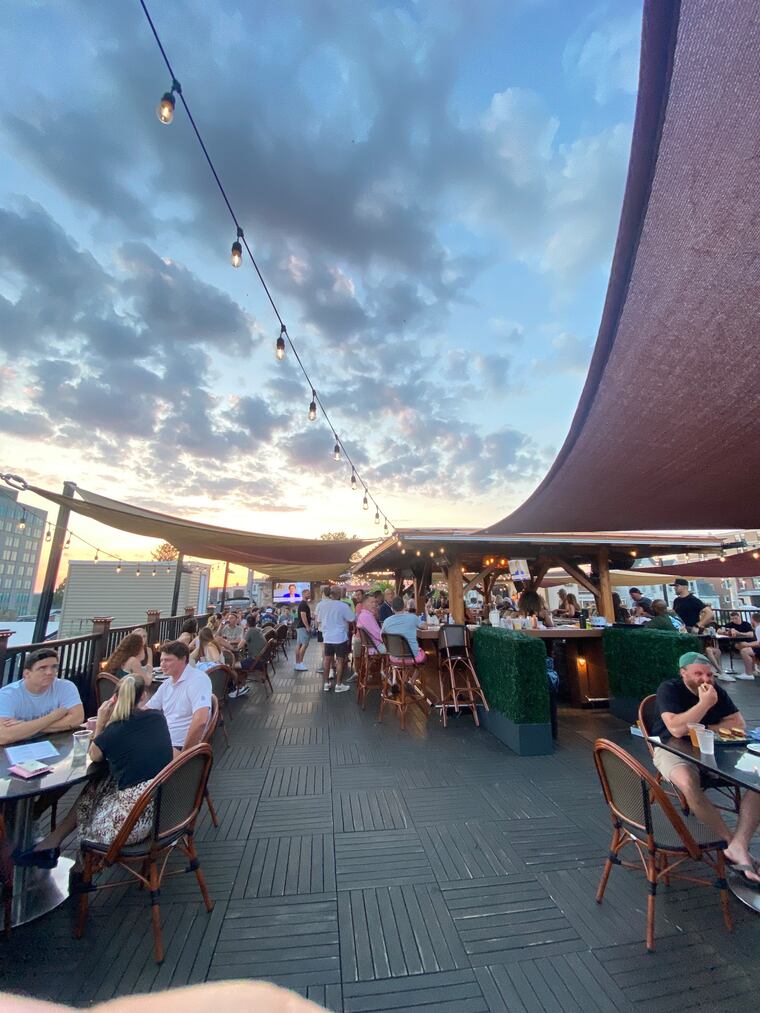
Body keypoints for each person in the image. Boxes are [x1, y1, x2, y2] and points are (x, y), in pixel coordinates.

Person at [14, 675, 173, 868]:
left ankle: (81, 873)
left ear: (114, 699)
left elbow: (94, 755)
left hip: (134, 822)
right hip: (164, 808)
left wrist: (100, 724)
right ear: (144, 696)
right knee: (97, 785)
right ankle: (52, 843)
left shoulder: (113, 731)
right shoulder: (158, 718)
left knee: (89, 815)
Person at [650, 652, 760, 885]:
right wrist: (704, 704)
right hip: (671, 749)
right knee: (689, 784)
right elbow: (676, 730)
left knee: (757, 779)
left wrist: (702, 727)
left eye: (709, 674)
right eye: (698, 674)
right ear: (683, 673)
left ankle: (739, 845)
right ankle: (730, 842)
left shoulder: (715, 690)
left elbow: (738, 724)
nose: (705, 679)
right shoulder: (669, 689)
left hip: (713, 750)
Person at [0, 649, 84, 746]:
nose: (49, 672)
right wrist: (53, 717)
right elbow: (3, 736)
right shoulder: (7, 695)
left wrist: (24, 727)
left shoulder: (65, 686)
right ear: (27, 674)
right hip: (16, 748)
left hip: (53, 743)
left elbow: (77, 719)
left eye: (54, 667)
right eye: (42, 668)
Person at [144, 641, 211, 753]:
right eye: (161, 660)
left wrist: (185, 755)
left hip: (178, 746)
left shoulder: (197, 680)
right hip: (163, 740)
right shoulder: (167, 684)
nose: (162, 664)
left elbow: (200, 720)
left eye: (168, 660)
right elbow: (147, 710)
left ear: (183, 659)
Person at [318, 587, 354, 693]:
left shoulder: (322, 605)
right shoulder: (343, 606)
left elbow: (319, 620)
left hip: (327, 636)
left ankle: (326, 683)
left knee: (327, 659)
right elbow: (352, 618)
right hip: (339, 637)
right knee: (340, 660)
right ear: (339, 594)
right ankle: (338, 685)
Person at [707, 610, 756, 681]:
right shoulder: (730, 625)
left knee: (746, 648)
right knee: (743, 647)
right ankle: (752, 669)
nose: (734, 620)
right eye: (732, 619)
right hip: (736, 643)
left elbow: (751, 634)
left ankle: (752, 668)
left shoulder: (746, 624)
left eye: (736, 618)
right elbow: (719, 630)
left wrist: (739, 633)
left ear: (739, 617)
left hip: (748, 642)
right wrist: (725, 632)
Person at [381, 596, 426, 664]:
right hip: (413, 656)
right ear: (404, 606)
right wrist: (424, 621)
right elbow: (425, 627)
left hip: (394, 657)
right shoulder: (413, 617)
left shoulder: (386, 621)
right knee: (423, 653)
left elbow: (382, 637)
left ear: (392, 608)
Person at [294, 590, 311, 672]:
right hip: (302, 627)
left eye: (309, 593)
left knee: (299, 645)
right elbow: (303, 616)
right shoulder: (303, 604)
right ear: (303, 595)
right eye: (308, 594)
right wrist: (307, 626)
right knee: (305, 644)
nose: (309, 595)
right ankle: (300, 663)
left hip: (300, 626)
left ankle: (297, 663)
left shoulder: (303, 604)